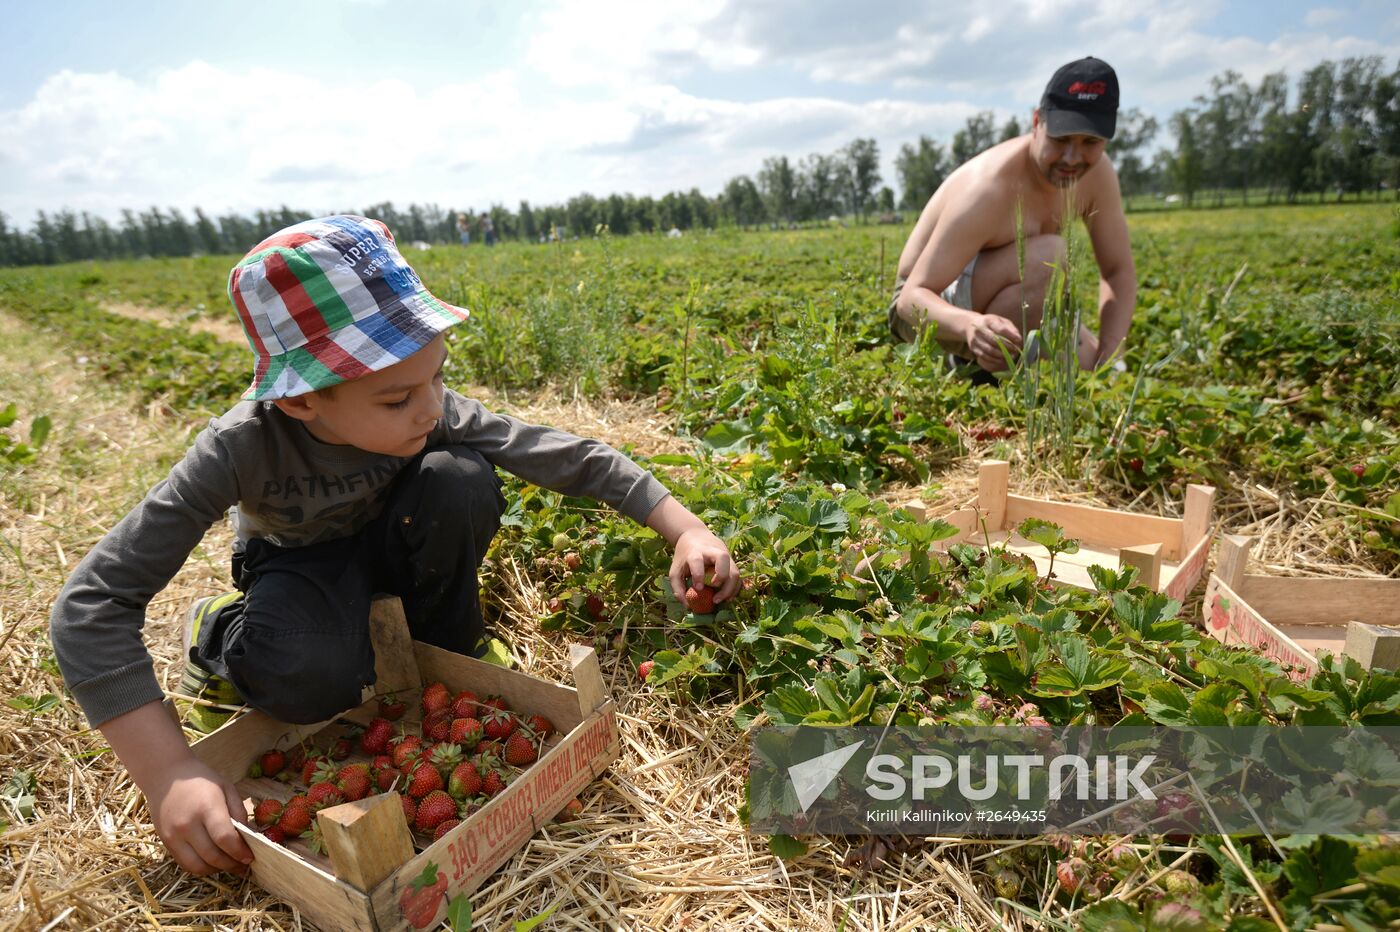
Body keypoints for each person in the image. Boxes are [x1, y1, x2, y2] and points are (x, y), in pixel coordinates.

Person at [48, 215, 741, 878]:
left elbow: (571, 457)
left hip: (396, 541)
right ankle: (220, 634)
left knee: (459, 477)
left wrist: (686, 528)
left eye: (438, 375)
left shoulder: (429, 407)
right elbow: (90, 607)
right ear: (300, 401)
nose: (431, 406)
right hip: (300, 563)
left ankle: (448, 643)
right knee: (307, 684)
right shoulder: (240, 448)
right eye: (397, 397)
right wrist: (168, 770)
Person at [888, 57, 1136, 376]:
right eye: (1060, 140)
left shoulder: (1098, 176)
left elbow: (1117, 271)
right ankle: (971, 358)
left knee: (1093, 374)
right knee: (1050, 256)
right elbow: (911, 298)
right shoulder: (989, 188)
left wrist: (1109, 354)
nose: (1073, 158)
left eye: (1090, 142)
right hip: (926, 313)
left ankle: (983, 364)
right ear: (1037, 122)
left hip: (1008, 297)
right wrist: (970, 326)